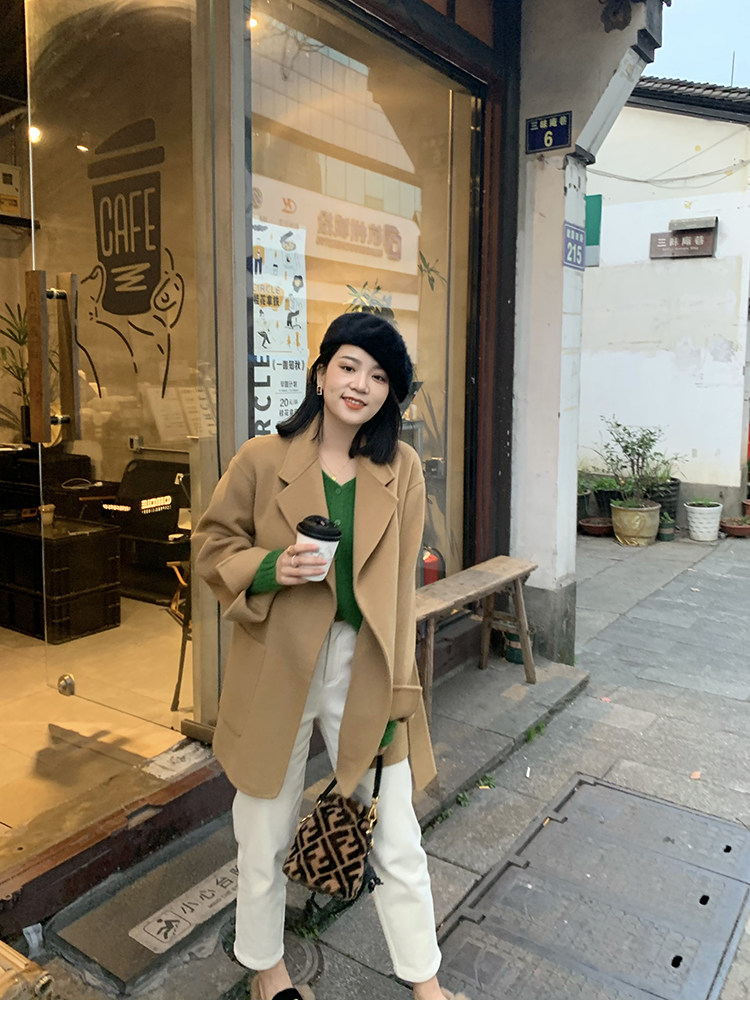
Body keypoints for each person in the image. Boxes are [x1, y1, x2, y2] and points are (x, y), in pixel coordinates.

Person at [193, 312, 455, 1001]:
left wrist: (400, 689)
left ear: (390, 395)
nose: (360, 384)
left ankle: (426, 986)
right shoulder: (262, 459)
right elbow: (212, 548)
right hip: (275, 660)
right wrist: (273, 566)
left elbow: (397, 592)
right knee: (264, 826)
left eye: (379, 376)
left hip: (366, 662)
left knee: (395, 829)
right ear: (321, 373)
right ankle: (268, 971)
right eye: (349, 366)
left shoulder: (400, 469)